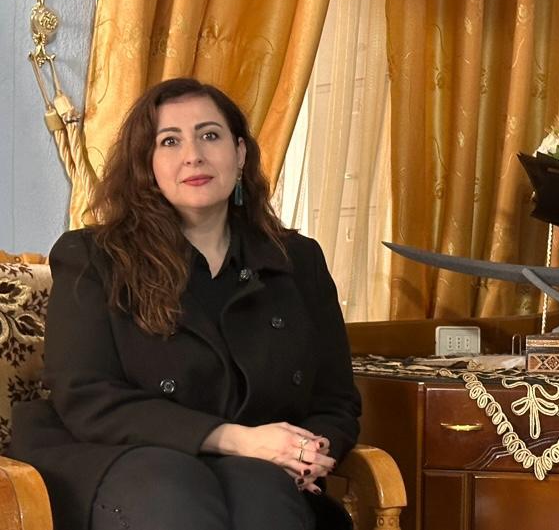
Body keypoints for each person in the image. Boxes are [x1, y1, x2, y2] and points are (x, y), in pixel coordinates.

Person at [7, 78, 361, 530]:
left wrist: (307, 451)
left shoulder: (297, 260)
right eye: (170, 141)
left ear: (240, 153)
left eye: (209, 135)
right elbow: (86, 395)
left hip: (256, 466)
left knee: (265, 498)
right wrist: (237, 439)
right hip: (113, 457)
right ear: (147, 163)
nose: (193, 155)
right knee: (176, 490)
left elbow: (335, 399)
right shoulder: (92, 257)